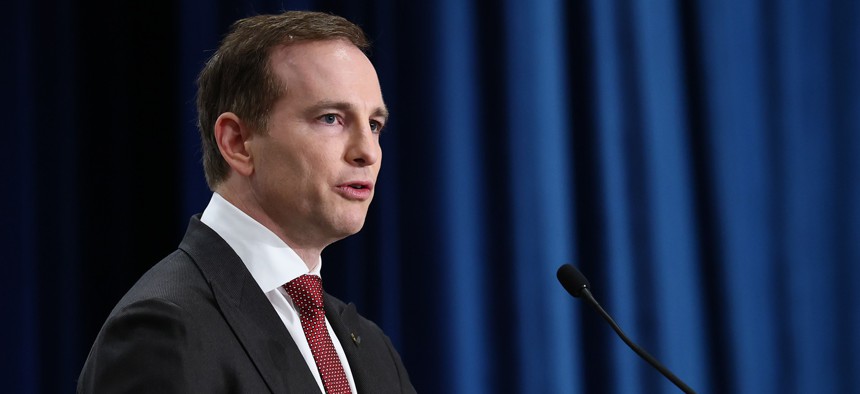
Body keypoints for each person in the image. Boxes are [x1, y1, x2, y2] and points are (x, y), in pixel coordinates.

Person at [77, 10, 415, 393]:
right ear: (237, 143)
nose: (367, 151)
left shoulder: (371, 348)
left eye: (374, 125)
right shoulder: (165, 330)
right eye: (331, 118)